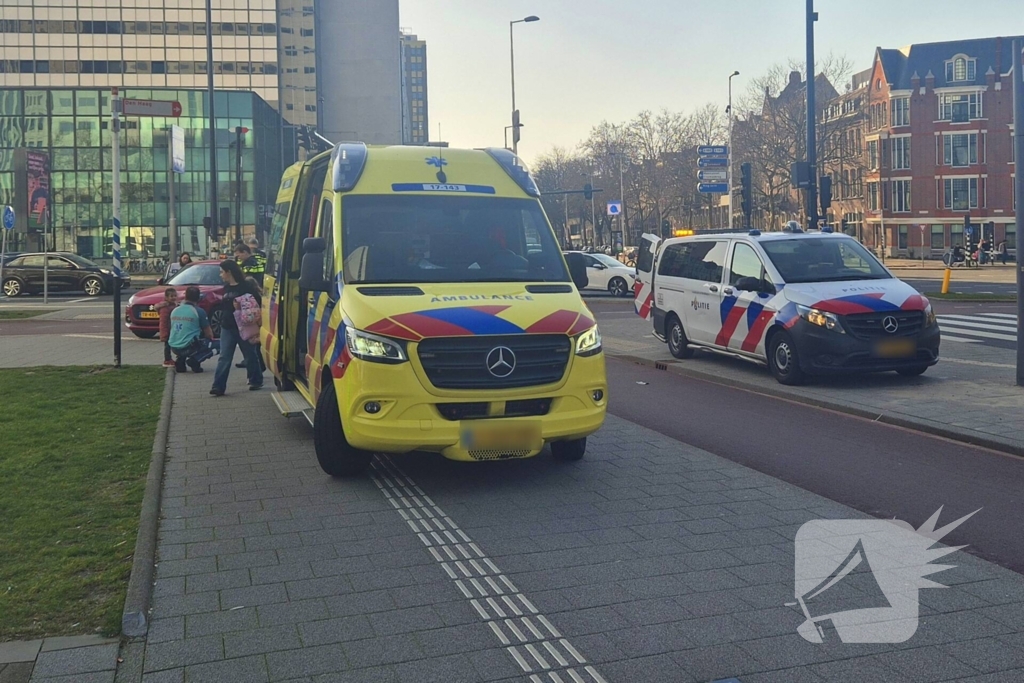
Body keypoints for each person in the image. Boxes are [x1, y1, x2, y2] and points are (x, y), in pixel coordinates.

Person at [210, 259, 263, 396]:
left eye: (222, 272)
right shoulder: (226, 288)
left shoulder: (246, 286)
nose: (221, 275)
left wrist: (241, 307)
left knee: (249, 354)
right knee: (224, 357)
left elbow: (256, 303)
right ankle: (218, 386)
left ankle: (256, 380)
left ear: (229, 272)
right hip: (227, 326)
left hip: (243, 327)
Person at [168, 286, 215, 373]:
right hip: (189, 347)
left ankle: (180, 360)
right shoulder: (199, 311)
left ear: (185, 296)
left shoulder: (175, 310)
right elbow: (208, 333)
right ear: (198, 298)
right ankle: (196, 360)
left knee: (185, 335)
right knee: (218, 345)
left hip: (174, 347)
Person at [155, 287, 178, 367]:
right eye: (171, 296)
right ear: (166, 297)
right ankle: (167, 360)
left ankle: (170, 359)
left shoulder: (173, 305)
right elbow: (163, 322)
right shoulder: (165, 308)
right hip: (168, 330)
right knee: (167, 346)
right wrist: (164, 333)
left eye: (175, 296)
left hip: (172, 329)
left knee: (171, 345)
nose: (173, 298)